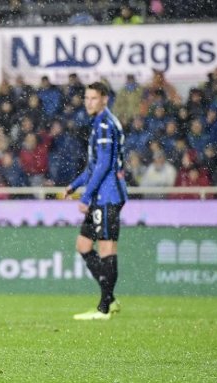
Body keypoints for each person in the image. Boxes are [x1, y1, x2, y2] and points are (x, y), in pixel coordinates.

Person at [63, 81, 128, 320]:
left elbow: (103, 165)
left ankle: (104, 307)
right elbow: (93, 166)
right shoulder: (101, 123)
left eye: (93, 98)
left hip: (108, 195)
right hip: (102, 193)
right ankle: (109, 297)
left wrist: (87, 195)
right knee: (83, 245)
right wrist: (74, 185)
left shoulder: (104, 124)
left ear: (104, 99)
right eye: (86, 98)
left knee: (107, 247)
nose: (89, 102)